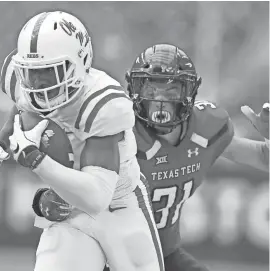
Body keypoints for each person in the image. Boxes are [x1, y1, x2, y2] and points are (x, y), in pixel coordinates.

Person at [33, 44, 269, 271]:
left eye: (171, 90)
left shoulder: (208, 129)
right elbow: (73, 183)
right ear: (135, 91)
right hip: (106, 253)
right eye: (151, 89)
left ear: (190, 92)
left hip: (163, 254)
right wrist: (45, 199)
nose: (160, 100)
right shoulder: (117, 131)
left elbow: (262, 157)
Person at [0, 12, 164, 271]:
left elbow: (97, 197)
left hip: (120, 204)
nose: (37, 85)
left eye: (49, 73)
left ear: (81, 62)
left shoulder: (103, 104)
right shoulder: (22, 84)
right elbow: (24, 108)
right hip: (69, 208)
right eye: (31, 73)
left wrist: (36, 160)